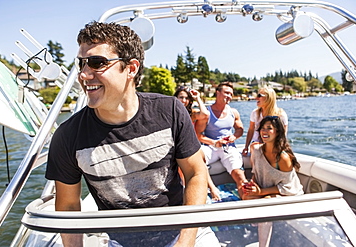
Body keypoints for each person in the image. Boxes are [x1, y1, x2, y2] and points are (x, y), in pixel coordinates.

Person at [45, 21, 219, 247]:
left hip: (184, 233)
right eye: (81, 64)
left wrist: (186, 241)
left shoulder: (170, 111)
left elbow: (196, 173)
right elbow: (68, 207)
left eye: (97, 63)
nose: (85, 75)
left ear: (131, 68)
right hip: (122, 242)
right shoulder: (68, 136)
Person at [242, 116, 303, 247]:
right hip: (267, 191)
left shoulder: (283, 158)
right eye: (262, 128)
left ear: (278, 132)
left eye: (269, 128)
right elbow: (256, 173)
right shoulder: (256, 149)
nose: (264, 131)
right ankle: (260, 222)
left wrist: (261, 191)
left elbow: (288, 187)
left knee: (265, 205)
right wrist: (252, 185)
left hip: (290, 194)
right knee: (246, 195)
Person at [195, 82, 247, 199]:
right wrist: (214, 143)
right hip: (210, 147)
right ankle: (212, 189)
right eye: (226, 93)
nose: (229, 96)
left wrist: (234, 137)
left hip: (228, 147)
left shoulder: (233, 112)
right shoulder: (207, 113)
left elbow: (239, 129)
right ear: (217, 93)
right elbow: (198, 135)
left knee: (240, 175)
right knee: (196, 157)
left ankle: (246, 199)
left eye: (231, 94)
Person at [174, 87, 221, 201]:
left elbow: (205, 115)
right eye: (181, 97)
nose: (184, 100)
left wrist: (198, 98)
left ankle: (211, 188)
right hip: (175, 147)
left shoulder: (192, 114)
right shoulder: (171, 113)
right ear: (175, 98)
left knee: (199, 160)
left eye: (186, 98)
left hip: (188, 147)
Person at [242, 86, 288, 157]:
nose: (256, 98)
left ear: (269, 98)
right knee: (255, 148)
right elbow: (251, 130)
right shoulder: (255, 113)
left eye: (259, 96)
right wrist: (246, 147)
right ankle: (255, 168)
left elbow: (283, 134)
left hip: (273, 144)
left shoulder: (281, 114)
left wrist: (280, 148)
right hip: (257, 143)